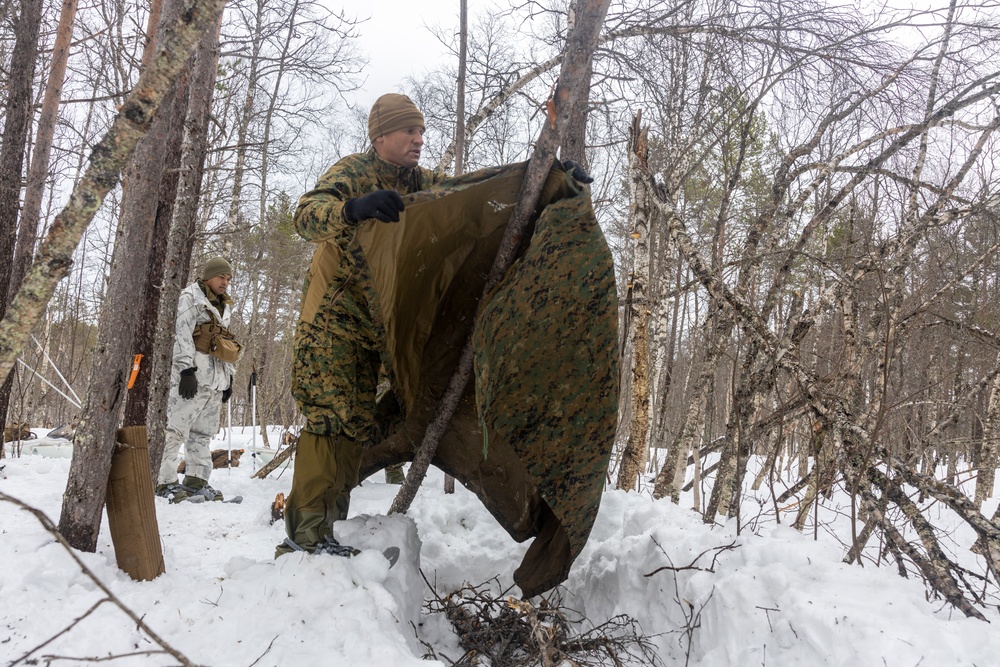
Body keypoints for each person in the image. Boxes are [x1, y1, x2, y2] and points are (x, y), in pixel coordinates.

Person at [276, 93, 447, 557]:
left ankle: (330, 531)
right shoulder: (353, 172)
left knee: (354, 425)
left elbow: (472, 192)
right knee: (330, 420)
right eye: (410, 131)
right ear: (381, 136)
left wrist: (543, 179)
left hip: (377, 328)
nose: (419, 139)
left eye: (422, 131)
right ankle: (305, 538)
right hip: (332, 320)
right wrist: (353, 209)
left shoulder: (421, 181)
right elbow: (306, 215)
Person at [156, 256, 240, 503]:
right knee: (175, 430)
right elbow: (180, 335)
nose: (224, 282)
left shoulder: (224, 306)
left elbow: (225, 343)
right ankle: (164, 482)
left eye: (227, 278)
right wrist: (185, 371)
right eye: (220, 277)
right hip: (192, 378)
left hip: (214, 382)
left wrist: (229, 379)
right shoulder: (191, 298)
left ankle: (196, 480)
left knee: (202, 434)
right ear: (208, 276)